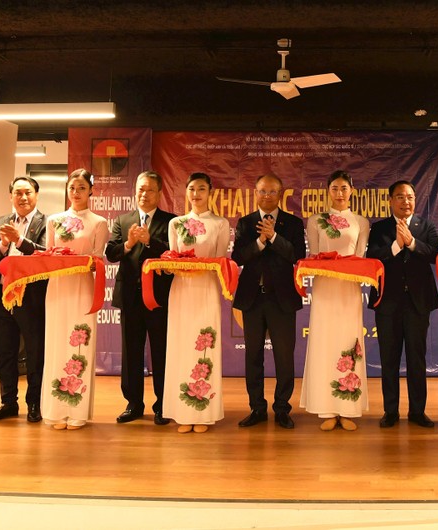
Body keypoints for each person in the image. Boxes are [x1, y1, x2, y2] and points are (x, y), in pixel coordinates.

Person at [232, 174, 306, 430]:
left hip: (282, 300)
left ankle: (283, 408)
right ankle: (257, 408)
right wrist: (260, 242)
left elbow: (298, 255)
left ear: (281, 194)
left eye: (272, 191)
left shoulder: (293, 223)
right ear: (255, 193)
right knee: (253, 356)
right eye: (262, 191)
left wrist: (274, 237)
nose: (266, 196)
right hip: (252, 299)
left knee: (284, 357)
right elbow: (238, 257)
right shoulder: (245, 222)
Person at [367, 180, 438, 428]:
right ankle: (390, 412)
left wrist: (411, 243)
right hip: (387, 301)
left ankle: (417, 412)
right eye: (400, 197)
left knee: (416, 358)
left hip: (418, 302)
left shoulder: (425, 225)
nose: (406, 201)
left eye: (410, 196)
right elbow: (372, 258)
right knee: (389, 358)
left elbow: (435, 254)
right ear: (390, 200)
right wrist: (397, 246)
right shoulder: (379, 228)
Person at [300, 170, 370, 431]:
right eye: (335, 189)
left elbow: (360, 257)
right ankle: (327, 408)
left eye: (344, 188)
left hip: (349, 291)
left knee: (349, 343)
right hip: (325, 289)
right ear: (328, 191)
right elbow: (315, 256)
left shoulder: (361, 222)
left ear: (352, 191)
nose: (339, 193)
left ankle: (347, 408)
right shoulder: (316, 220)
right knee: (325, 343)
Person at [40, 169, 109, 430]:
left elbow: (98, 258)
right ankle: (56, 409)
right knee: (57, 343)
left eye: (81, 188)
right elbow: (48, 254)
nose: (76, 193)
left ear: (91, 190)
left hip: (82, 287)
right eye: (72, 188)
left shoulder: (99, 222)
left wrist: (87, 263)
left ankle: (77, 408)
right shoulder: (54, 220)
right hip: (57, 287)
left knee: (80, 343)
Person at [106, 171, 176, 425]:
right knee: (131, 352)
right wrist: (128, 243)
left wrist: (150, 242)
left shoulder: (172, 221)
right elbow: (111, 253)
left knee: (161, 351)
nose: (144, 194)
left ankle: (162, 404)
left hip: (158, 298)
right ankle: (134, 404)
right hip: (130, 298)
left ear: (159, 193)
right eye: (140, 189)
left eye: (149, 190)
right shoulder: (123, 220)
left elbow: (174, 252)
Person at [162, 172, 230, 433]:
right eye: (191, 188)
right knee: (181, 345)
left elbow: (221, 260)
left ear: (210, 192)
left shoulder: (220, 223)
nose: (196, 193)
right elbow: (173, 257)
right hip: (182, 289)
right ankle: (182, 411)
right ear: (186, 192)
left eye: (202, 188)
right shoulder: (176, 223)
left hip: (206, 289)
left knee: (204, 344)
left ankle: (202, 412)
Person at [0, 176, 48, 423]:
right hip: (1, 297)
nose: (23, 198)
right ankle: (8, 403)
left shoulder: (46, 222)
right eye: (18, 193)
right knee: (4, 353)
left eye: (28, 193)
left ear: (36, 195)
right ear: (10, 196)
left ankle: (34, 404)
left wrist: (20, 241)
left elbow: (44, 254)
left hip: (30, 298)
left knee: (34, 353)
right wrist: (3, 243)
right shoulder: (2, 221)